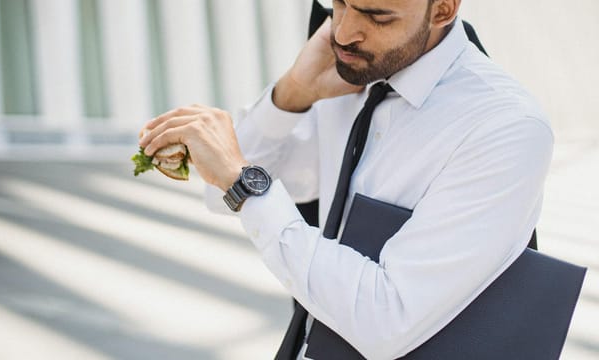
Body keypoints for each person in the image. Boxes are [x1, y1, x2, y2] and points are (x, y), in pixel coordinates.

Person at [138, 0, 553, 358]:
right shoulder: (349, 78)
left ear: (443, 8)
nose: (344, 32)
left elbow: (387, 321)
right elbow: (220, 196)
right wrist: (293, 93)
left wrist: (244, 182)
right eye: (339, 2)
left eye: (377, 15)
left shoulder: (503, 126)